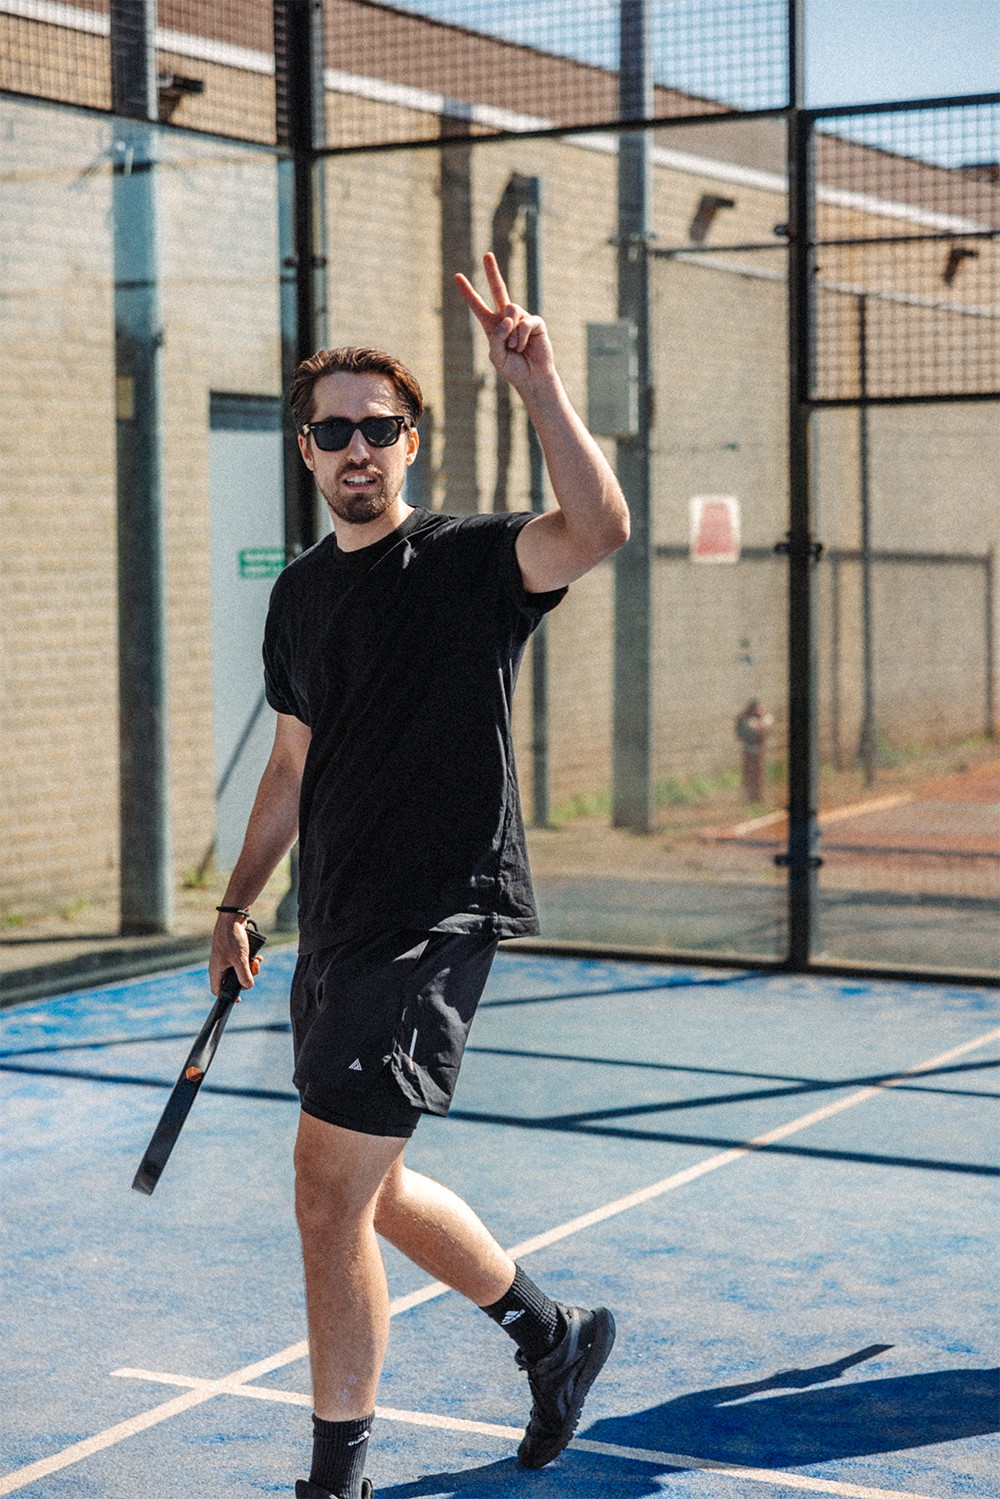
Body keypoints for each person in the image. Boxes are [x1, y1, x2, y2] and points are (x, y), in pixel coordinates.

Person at [209, 252, 630, 1499]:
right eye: (332, 429)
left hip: (437, 908)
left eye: (377, 428)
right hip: (337, 916)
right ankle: (551, 1340)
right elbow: (289, 763)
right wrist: (240, 902)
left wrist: (541, 383)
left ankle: (332, 1479)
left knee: (323, 1194)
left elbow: (597, 527)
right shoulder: (295, 596)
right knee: (374, 1186)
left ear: (408, 442)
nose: (355, 447)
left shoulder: (466, 564)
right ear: (305, 446)